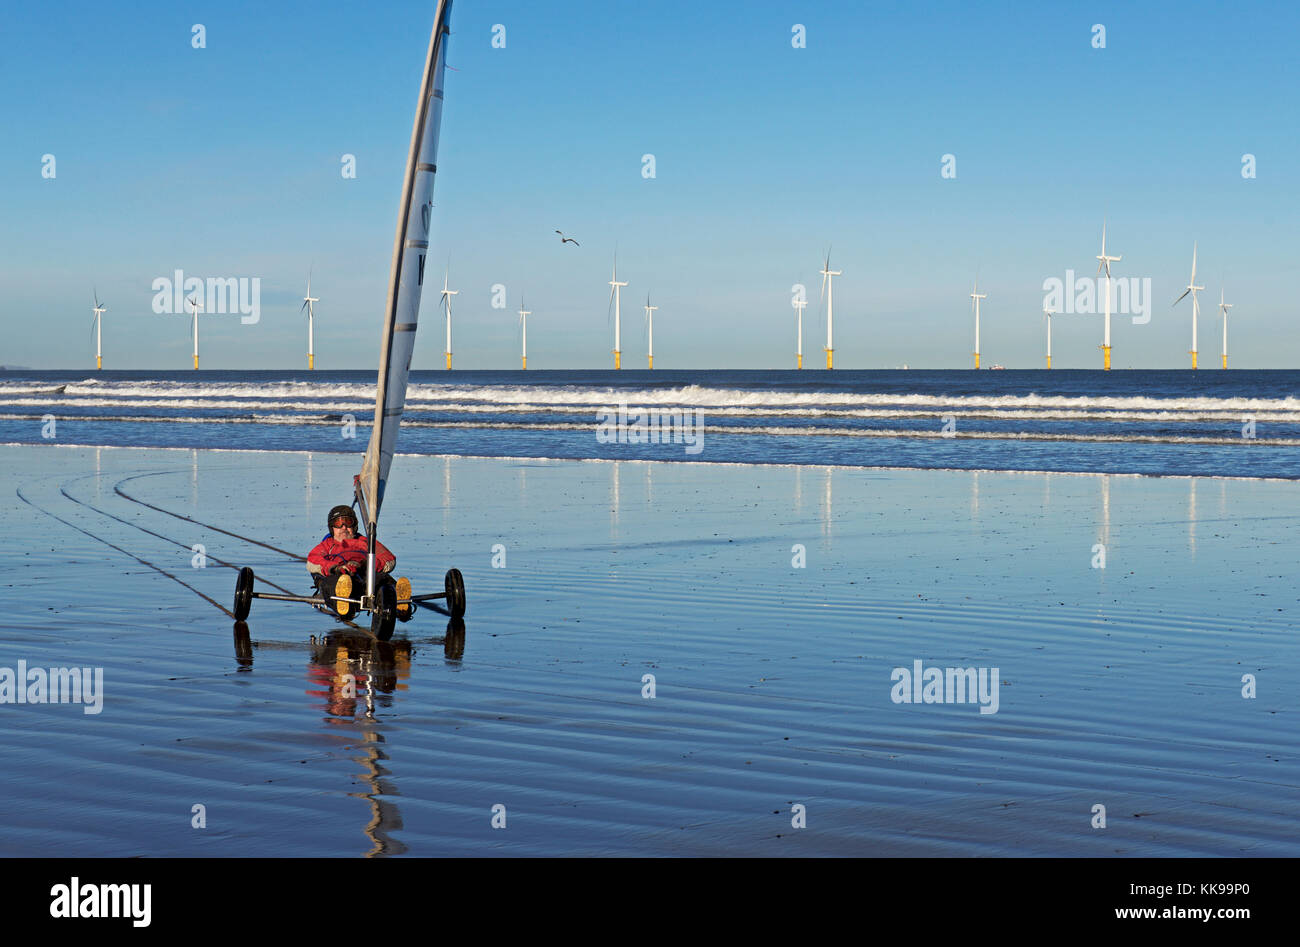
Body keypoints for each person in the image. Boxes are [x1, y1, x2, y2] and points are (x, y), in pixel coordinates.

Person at [308, 505, 411, 621]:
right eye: (338, 524)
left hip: (365, 575)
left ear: (355, 525)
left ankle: (401, 603)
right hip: (339, 576)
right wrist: (335, 568)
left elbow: (389, 559)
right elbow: (313, 561)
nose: (343, 527)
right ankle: (343, 603)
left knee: (383, 580)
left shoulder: (366, 542)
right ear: (332, 528)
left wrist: (367, 565)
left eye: (348, 522)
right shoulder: (327, 545)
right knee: (333, 583)